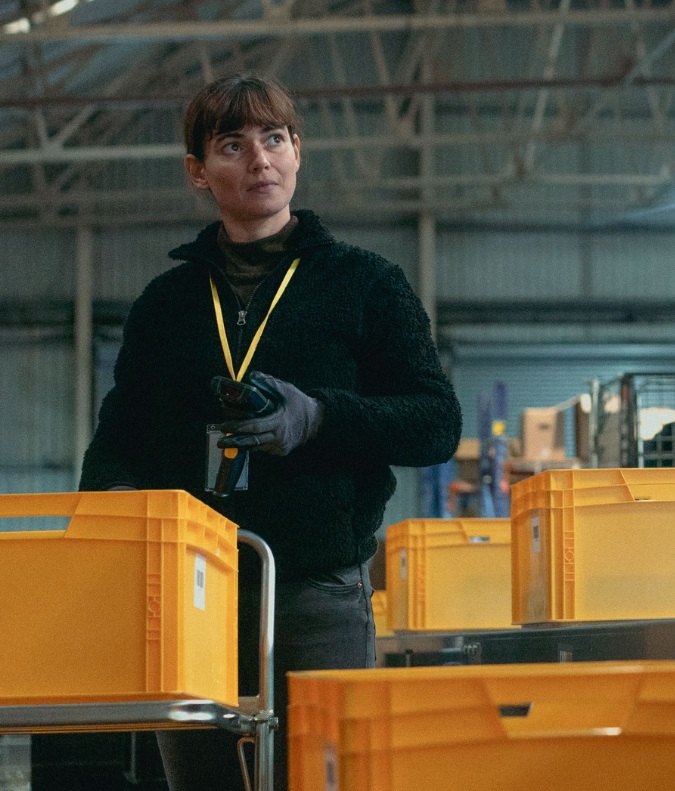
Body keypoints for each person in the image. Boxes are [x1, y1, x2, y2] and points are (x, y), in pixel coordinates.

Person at [79, 74, 462, 791]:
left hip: (317, 589)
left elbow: (435, 423)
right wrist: (116, 498)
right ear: (199, 170)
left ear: (296, 153)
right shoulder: (166, 305)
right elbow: (116, 434)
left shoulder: (365, 284)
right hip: (190, 593)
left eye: (274, 137)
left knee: (319, 778)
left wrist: (319, 417)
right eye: (232, 143)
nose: (258, 157)